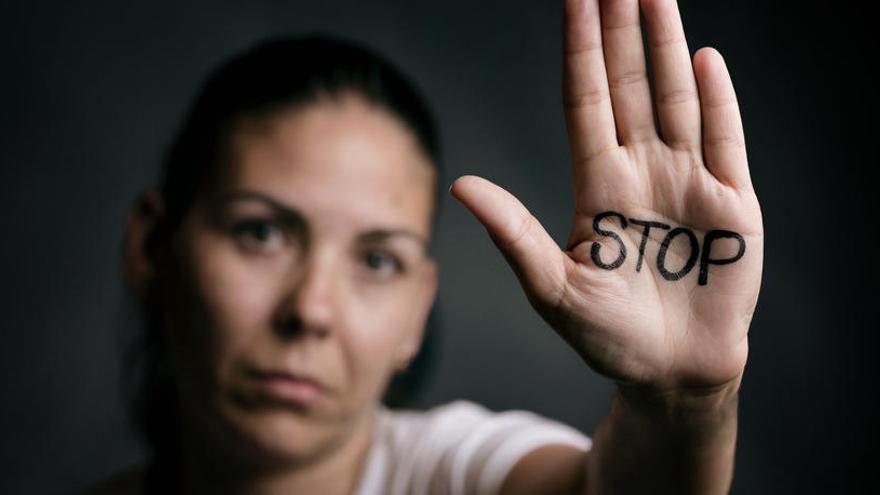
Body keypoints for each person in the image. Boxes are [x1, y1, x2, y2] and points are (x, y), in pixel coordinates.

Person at [88, 0, 763, 493]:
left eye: (378, 260)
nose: (311, 310)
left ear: (418, 310)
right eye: (260, 232)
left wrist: (684, 401)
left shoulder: (454, 471)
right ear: (150, 247)